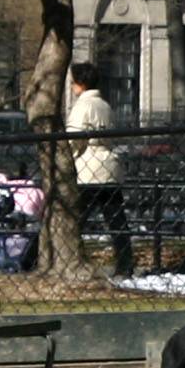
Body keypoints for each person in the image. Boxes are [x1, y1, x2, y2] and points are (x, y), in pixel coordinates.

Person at [65, 62, 133, 277]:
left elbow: (73, 138)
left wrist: (67, 157)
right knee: (116, 220)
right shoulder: (105, 105)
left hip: (88, 168)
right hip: (109, 167)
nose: (72, 87)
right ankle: (125, 263)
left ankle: (68, 258)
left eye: (73, 82)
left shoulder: (82, 106)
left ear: (80, 83)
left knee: (76, 219)